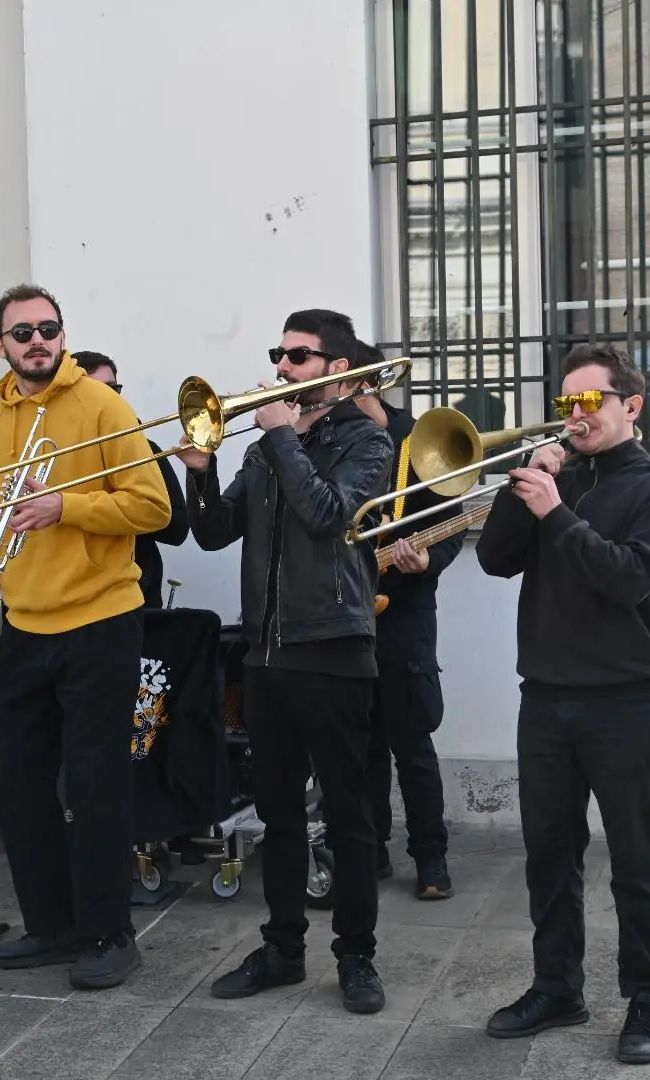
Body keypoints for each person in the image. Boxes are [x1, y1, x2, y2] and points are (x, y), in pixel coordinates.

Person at [0, 283, 170, 990]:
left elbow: (152, 506)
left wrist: (65, 506)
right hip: (21, 622)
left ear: (61, 336)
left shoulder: (103, 407)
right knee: (18, 786)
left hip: (100, 619)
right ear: (1, 346)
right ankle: (51, 925)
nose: (37, 340)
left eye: (48, 328)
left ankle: (109, 933)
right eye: (23, 333)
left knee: (96, 785)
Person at [476, 343, 650, 1066]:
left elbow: (628, 577)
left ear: (631, 406)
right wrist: (528, 486)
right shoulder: (559, 480)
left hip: (628, 702)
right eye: (565, 401)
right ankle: (556, 988)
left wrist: (556, 514)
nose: (575, 414)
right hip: (546, 698)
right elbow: (495, 559)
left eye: (589, 400)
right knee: (549, 855)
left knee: (637, 861)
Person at [180, 309, 393, 1013]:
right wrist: (201, 473)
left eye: (297, 356)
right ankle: (282, 950)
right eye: (279, 354)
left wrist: (280, 438)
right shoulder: (267, 446)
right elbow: (214, 532)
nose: (281, 367)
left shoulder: (366, 439)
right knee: (277, 812)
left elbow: (330, 515)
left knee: (348, 813)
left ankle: (356, 957)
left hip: (333, 647)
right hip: (267, 653)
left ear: (338, 368)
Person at [351, 342, 459, 899]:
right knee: (361, 743)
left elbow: (454, 524)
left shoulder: (422, 441)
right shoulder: (334, 440)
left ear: (362, 383)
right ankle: (370, 853)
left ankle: (431, 860)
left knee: (411, 744)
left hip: (405, 614)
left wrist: (427, 560)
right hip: (347, 610)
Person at [74, 351, 190, 609]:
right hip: (75, 597)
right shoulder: (57, 455)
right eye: (96, 390)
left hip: (136, 598)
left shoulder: (144, 448)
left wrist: (128, 506)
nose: (110, 399)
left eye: (114, 389)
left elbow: (177, 529)